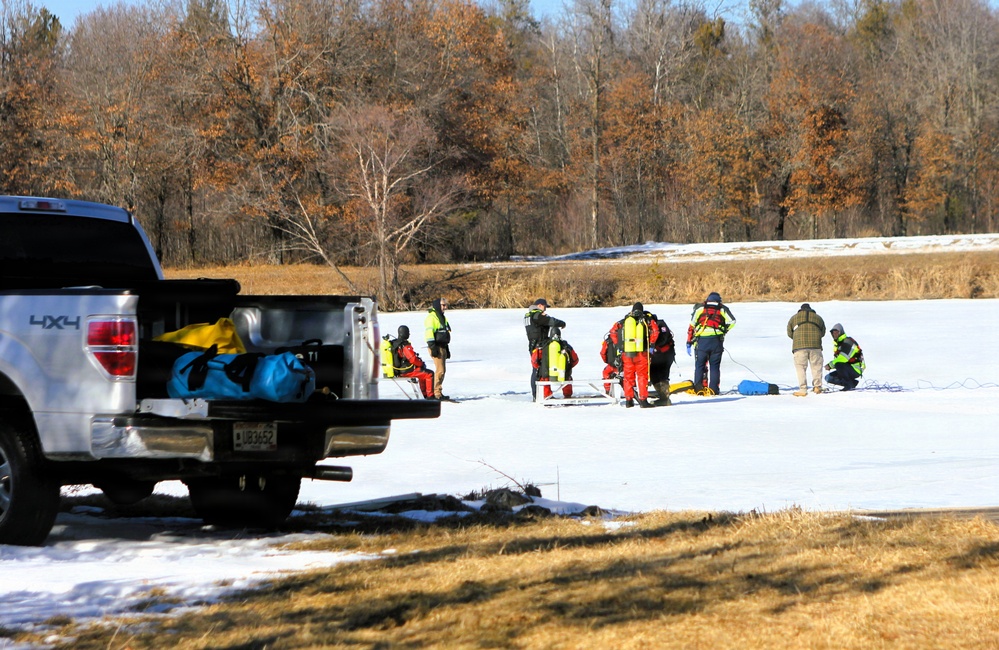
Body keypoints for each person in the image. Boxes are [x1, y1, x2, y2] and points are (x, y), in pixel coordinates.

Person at [610, 302, 659, 408]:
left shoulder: (625, 320)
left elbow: (613, 331)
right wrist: (651, 345)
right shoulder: (646, 320)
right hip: (642, 353)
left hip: (627, 353)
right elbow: (655, 331)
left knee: (628, 377)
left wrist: (618, 345)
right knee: (642, 376)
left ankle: (629, 400)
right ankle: (643, 400)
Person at [686, 292, 736, 396]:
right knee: (715, 366)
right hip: (716, 341)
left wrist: (689, 342)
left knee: (699, 366)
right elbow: (732, 321)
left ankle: (699, 389)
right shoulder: (722, 309)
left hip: (702, 341)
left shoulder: (700, 309)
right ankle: (713, 390)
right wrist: (724, 330)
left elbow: (692, 325)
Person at [524, 298, 567, 399]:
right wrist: (562, 323)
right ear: (539, 305)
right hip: (540, 345)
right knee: (542, 370)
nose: (545, 310)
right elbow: (551, 321)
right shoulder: (537, 314)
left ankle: (537, 394)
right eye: (545, 307)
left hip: (532, 345)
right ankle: (542, 395)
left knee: (536, 369)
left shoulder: (528, 315)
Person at [787, 303, 826, 396]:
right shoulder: (818, 318)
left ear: (800, 310)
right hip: (815, 346)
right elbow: (823, 332)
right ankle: (817, 387)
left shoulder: (794, 318)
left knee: (801, 367)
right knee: (816, 366)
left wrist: (797, 338)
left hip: (799, 346)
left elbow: (789, 332)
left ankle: (803, 389)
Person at [531, 327, 579, 400]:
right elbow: (575, 360)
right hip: (563, 374)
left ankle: (547, 396)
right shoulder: (566, 346)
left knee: (543, 378)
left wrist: (540, 367)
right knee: (567, 378)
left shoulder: (543, 346)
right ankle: (567, 396)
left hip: (546, 374)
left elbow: (534, 360)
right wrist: (568, 367)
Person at [389, 325, 435, 399]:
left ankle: (425, 394)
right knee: (429, 374)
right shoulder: (405, 345)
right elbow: (413, 359)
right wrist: (421, 363)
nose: (409, 334)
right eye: (408, 332)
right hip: (407, 371)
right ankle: (430, 396)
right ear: (404, 333)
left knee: (423, 373)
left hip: (400, 370)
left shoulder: (396, 343)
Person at [424, 297, 451, 400]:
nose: (445, 307)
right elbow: (429, 333)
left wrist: (447, 349)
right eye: (443, 305)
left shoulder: (442, 317)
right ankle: (436, 393)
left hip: (442, 346)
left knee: (442, 371)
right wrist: (432, 347)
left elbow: (445, 332)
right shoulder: (432, 317)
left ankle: (438, 391)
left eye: (446, 305)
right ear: (437, 306)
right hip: (436, 346)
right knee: (440, 370)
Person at [825, 323, 865, 391]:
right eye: (833, 333)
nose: (835, 334)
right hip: (847, 368)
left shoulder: (847, 342)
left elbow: (843, 358)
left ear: (841, 332)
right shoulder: (838, 344)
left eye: (837, 332)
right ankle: (852, 383)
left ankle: (848, 385)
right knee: (828, 378)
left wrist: (830, 365)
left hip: (856, 369)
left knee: (838, 364)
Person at [649, 316, 676, 405]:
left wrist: (652, 345)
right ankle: (664, 397)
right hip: (667, 354)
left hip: (662, 355)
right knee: (660, 376)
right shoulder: (661, 324)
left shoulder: (659, 325)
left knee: (659, 375)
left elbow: (664, 339)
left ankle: (664, 399)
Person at [600, 331, 622, 397]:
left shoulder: (608, 341)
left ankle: (608, 391)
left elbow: (603, 353)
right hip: (626, 364)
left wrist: (607, 361)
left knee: (606, 373)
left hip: (612, 365)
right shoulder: (624, 339)